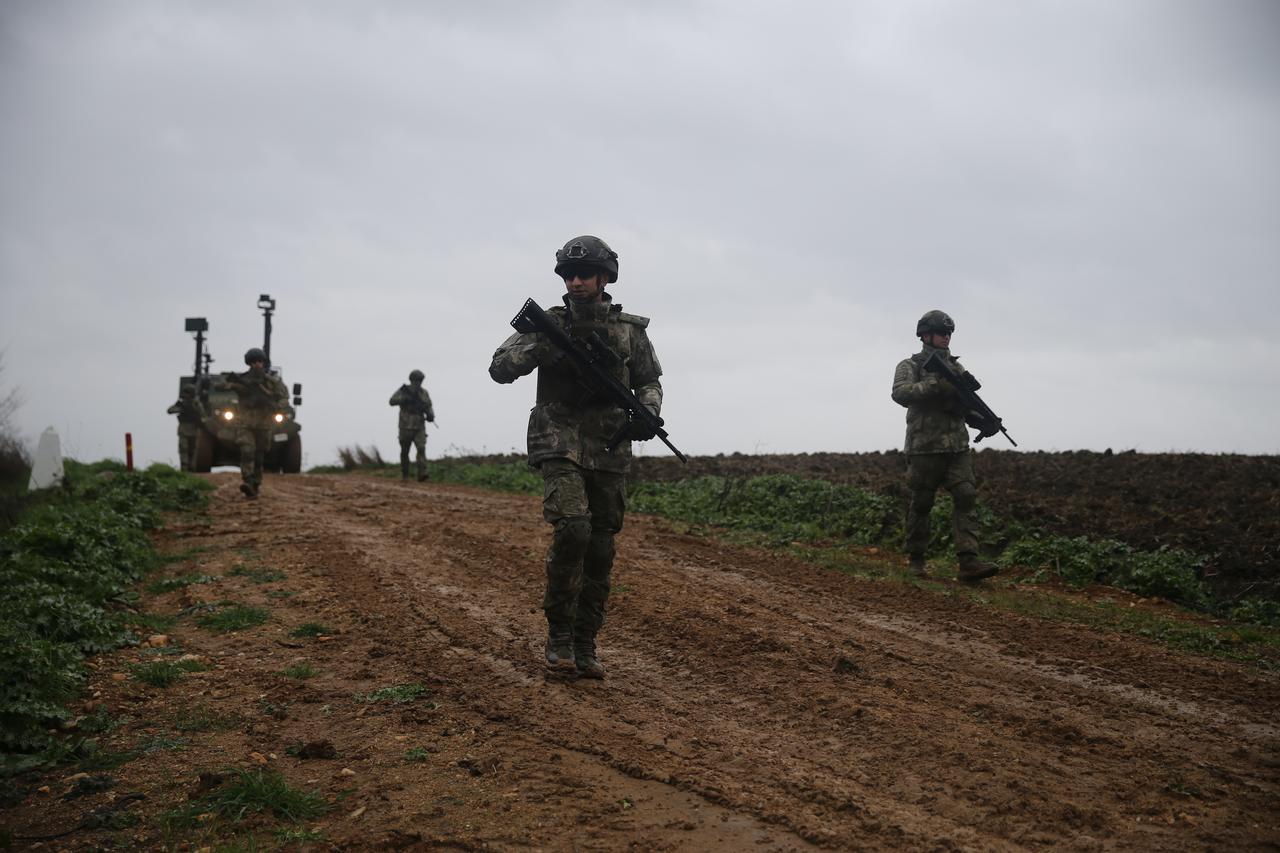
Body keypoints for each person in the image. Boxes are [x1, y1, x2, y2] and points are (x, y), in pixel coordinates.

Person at [489, 235, 664, 679]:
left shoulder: (630, 331)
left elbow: (648, 381)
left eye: (584, 274)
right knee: (574, 530)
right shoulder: (547, 323)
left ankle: (586, 644)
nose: (575, 281)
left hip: (607, 446)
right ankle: (559, 637)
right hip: (558, 438)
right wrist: (539, 349)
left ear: (605, 277)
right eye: (568, 274)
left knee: (601, 549)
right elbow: (499, 368)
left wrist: (648, 414)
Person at [891, 310, 999, 582]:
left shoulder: (956, 368)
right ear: (926, 335)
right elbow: (900, 393)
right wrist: (934, 385)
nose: (946, 337)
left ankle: (969, 562)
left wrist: (984, 423)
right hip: (924, 447)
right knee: (922, 503)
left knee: (966, 495)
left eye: (949, 333)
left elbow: (964, 406)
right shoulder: (911, 365)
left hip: (956, 447)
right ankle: (916, 560)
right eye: (941, 332)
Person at [217, 347, 289, 499]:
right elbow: (221, 385)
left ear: (263, 363)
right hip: (245, 423)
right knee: (247, 451)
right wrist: (234, 386)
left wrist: (276, 405)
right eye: (254, 362)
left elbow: (284, 397)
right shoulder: (242, 380)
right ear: (249, 363)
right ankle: (248, 481)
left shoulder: (272, 382)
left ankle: (256, 484)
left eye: (259, 361)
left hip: (264, 424)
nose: (257, 364)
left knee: (259, 455)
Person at [389, 370, 435, 481]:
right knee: (405, 451)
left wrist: (430, 415)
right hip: (405, 426)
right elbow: (392, 401)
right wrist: (404, 400)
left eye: (420, 381)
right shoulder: (403, 391)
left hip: (419, 426)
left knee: (421, 448)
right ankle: (405, 474)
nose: (419, 383)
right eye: (417, 380)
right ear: (412, 380)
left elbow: (429, 406)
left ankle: (422, 473)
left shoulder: (424, 393)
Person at [165, 383, 204, 471]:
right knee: (184, 450)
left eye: (188, 393)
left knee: (192, 451)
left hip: (193, 430)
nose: (186, 396)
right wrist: (179, 405)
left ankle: (192, 469)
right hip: (184, 430)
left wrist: (195, 407)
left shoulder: (196, 404)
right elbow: (170, 410)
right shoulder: (182, 404)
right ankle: (185, 469)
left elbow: (203, 415)